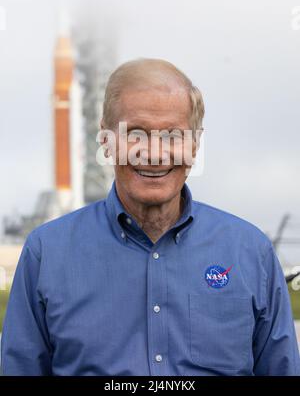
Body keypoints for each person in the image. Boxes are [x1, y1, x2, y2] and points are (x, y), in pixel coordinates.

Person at [1, 58, 299, 376]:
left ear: (195, 144)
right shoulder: (46, 255)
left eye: (173, 136)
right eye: (137, 134)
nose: (155, 152)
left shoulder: (251, 253)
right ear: (106, 140)